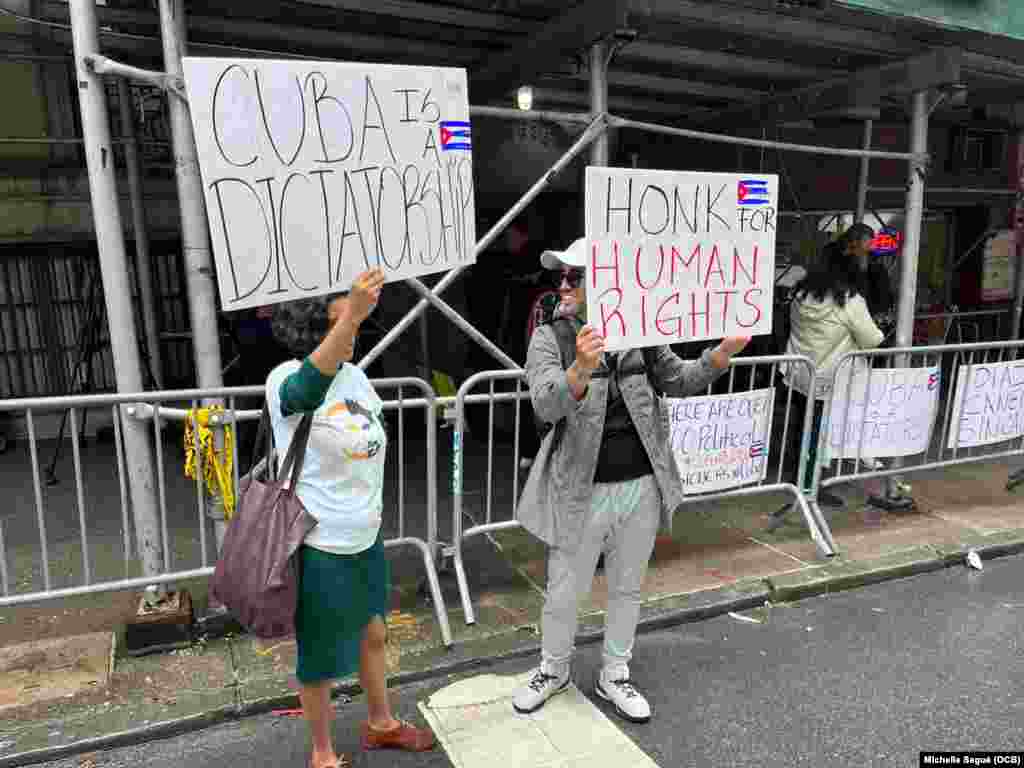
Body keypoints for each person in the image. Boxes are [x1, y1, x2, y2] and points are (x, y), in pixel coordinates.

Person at [513, 238, 750, 723]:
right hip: (579, 490)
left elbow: (679, 379)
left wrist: (722, 352)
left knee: (628, 587)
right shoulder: (549, 337)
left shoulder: (643, 332)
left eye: (576, 276)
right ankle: (553, 669)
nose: (564, 284)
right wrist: (579, 369)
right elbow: (545, 404)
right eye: (562, 275)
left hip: (642, 485)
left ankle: (615, 673)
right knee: (564, 590)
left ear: (606, 282)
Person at [267, 269, 435, 768]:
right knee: (320, 655)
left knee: (373, 633)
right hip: (320, 543)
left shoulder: (355, 375)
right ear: (316, 319)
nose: (355, 326)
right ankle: (322, 754)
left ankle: (381, 723)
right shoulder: (285, 378)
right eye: (343, 309)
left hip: (365, 534)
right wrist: (352, 316)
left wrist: (351, 318)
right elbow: (302, 393)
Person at [783, 250, 886, 508]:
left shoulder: (801, 295)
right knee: (819, 435)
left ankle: (799, 481)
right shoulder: (849, 301)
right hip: (830, 379)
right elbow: (872, 339)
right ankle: (810, 488)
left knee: (802, 429)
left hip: (800, 373)